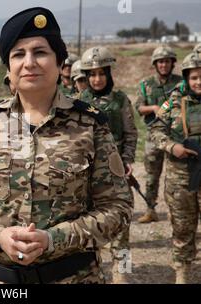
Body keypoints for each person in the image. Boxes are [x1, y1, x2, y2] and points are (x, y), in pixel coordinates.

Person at [0, 7, 133, 284]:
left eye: (41, 52)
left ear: (60, 64)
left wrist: (53, 239)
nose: (29, 62)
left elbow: (118, 207)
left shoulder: (91, 125)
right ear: (8, 69)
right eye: (18, 54)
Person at [79, 46, 137, 283]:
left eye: (102, 73)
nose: (97, 78)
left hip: (117, 172)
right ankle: (91, 272)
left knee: (122, 226)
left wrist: (128, 160)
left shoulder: (121, 99)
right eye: (92, 74)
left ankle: (122, 272)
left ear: (109, 74)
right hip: (88, 174)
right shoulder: (78, 102)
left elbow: (131, 133)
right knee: (88, 224)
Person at [150, 52, 201, 284]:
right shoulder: (174, 101)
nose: (199, 82)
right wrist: (172, 146)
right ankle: (182, 273)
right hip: (181, 176)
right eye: (194, 78)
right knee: (182, 228)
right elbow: (154, 130)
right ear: (187, 79)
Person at [134, 46, 182, 223]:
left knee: (174, 178)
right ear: (155, 64)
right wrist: (154, 108)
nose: (164, 65)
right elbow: (139, 107)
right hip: (153, 137)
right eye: (160, 61)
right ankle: (151, 209)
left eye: (167, 61)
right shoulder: (146, 84)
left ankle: (175, 211)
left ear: (172, 63)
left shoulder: (181, 82)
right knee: (151, 176)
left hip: (176, 137)